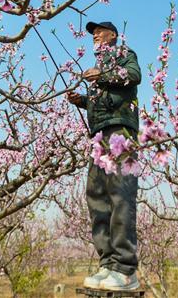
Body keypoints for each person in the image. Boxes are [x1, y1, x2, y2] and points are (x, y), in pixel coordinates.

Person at [67, 20, 142, 291]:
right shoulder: (99, 66)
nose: (95, 35)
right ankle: (108, 263)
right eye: (93, 32)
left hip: (121, 132)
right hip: (99, 135)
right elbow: (107, 100)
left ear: (113, 35)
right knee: (96, 196)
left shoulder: (123, 54)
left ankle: (125, 270)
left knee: (120, 195)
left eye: (99, 31)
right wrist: (84, 101)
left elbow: (134, 76)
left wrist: (101, 75)